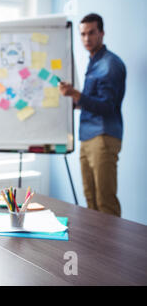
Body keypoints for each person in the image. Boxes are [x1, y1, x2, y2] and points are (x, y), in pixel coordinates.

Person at [59, 13, 126, 217]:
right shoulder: (93, 62)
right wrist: (74, 101)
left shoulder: (110, 64)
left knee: (105, 201)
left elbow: (107, 106)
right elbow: (92, 102)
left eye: (91, 33)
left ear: (102, 33)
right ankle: (97, 249)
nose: (86, 39)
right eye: (83, 34)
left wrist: (76, 94)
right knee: (90, 199)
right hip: (87, 137)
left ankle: (111, 249)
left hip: (103, 137)